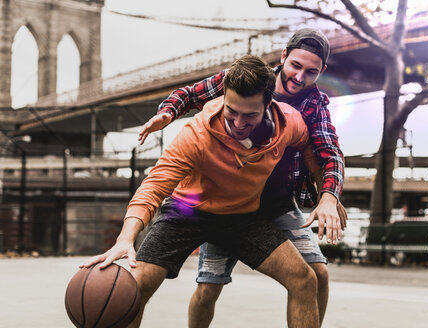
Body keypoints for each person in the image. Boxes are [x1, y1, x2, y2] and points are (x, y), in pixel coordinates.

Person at [81, 55, 332, 328]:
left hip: (242, 218)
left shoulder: (288, 123)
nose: (238, 124)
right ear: (224, 97)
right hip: (187, 212)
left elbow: (309, 147)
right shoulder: (197, 134)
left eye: (249, 116)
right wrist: (125, 238)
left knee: (305, 280)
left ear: (269, 105)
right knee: (136, 287)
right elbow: (153, 187)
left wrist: (326, 195)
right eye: (231, 112)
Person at [138, 28, 346, 326]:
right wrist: (168, 113)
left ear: (322, 71)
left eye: (311, 72)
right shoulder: (247, 81)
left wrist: (328, 196)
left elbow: (328, 152)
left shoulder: (314, 106)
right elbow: (187, 95)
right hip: (225, 199)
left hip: (275, 203)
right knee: (209, 288)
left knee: (316, 275)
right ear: (283, 57)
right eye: (295, 66)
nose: (300, 77)